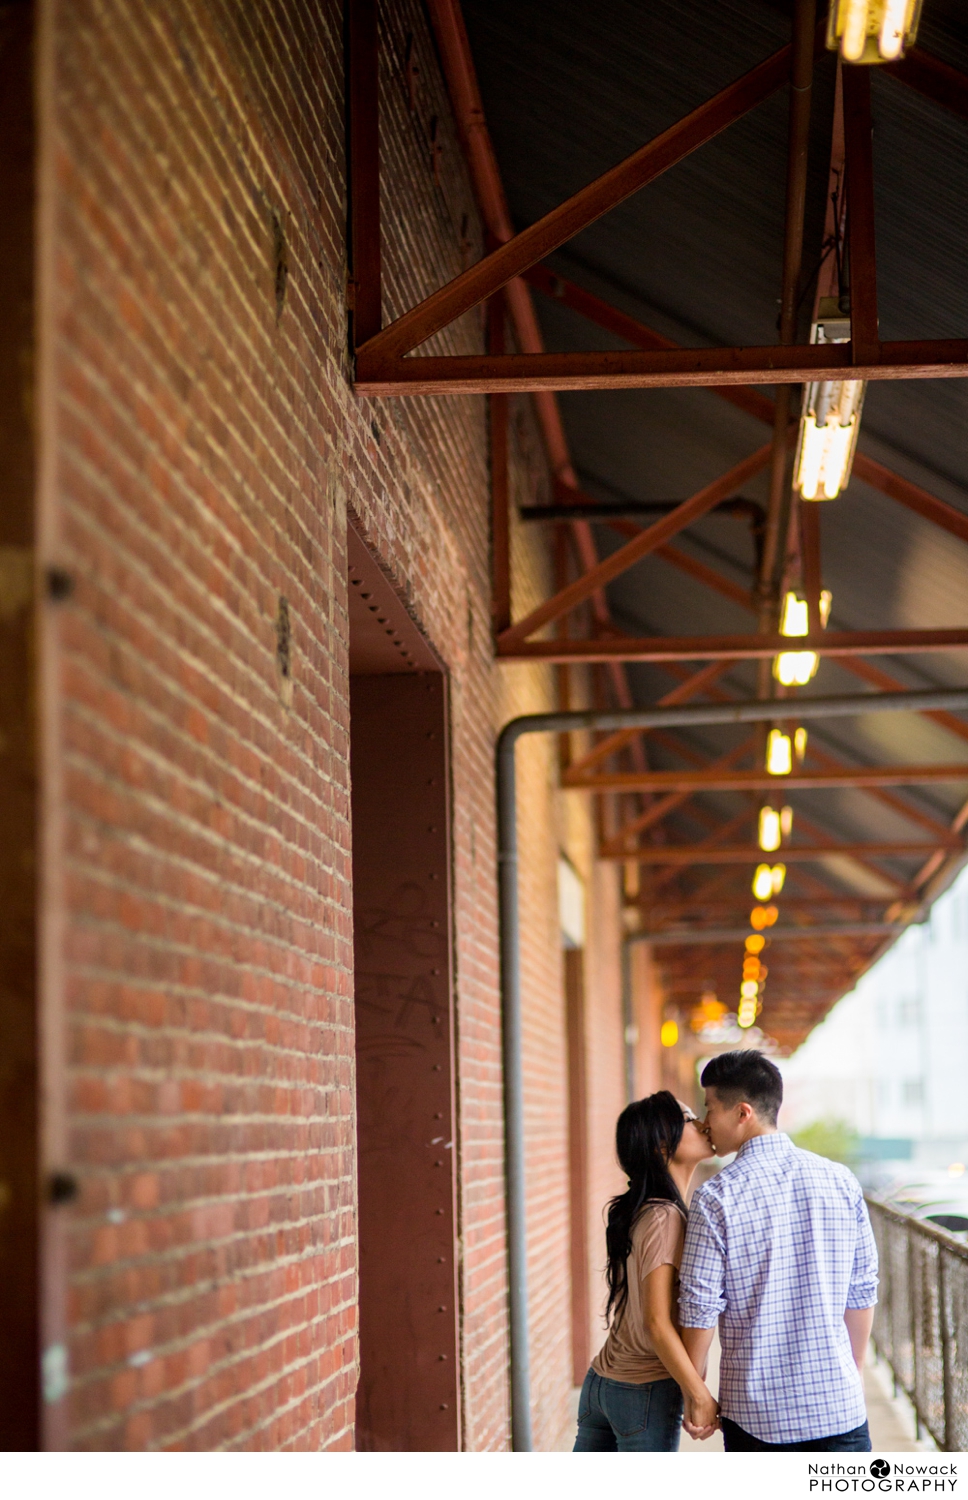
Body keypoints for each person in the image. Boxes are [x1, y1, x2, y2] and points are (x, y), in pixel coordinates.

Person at [678, 1049, 879, 1452]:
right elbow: (861, 1291)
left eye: (709, 1109)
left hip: (758, 1418)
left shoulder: (715, 1197)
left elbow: (699, 1307)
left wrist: (695, 1392)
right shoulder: (840, 1180)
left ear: (742, 1113)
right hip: (840, 1412)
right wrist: (850, 1371)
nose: (703, 1123)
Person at [574, 1091, 720, 1451]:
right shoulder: (664, 1217)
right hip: (641, 1393)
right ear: (660, 1143)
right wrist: (698, 1394)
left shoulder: (649, 1211)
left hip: (603, 1384)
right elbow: (657, 1323)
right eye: (688, 1119)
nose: (703, 1123)